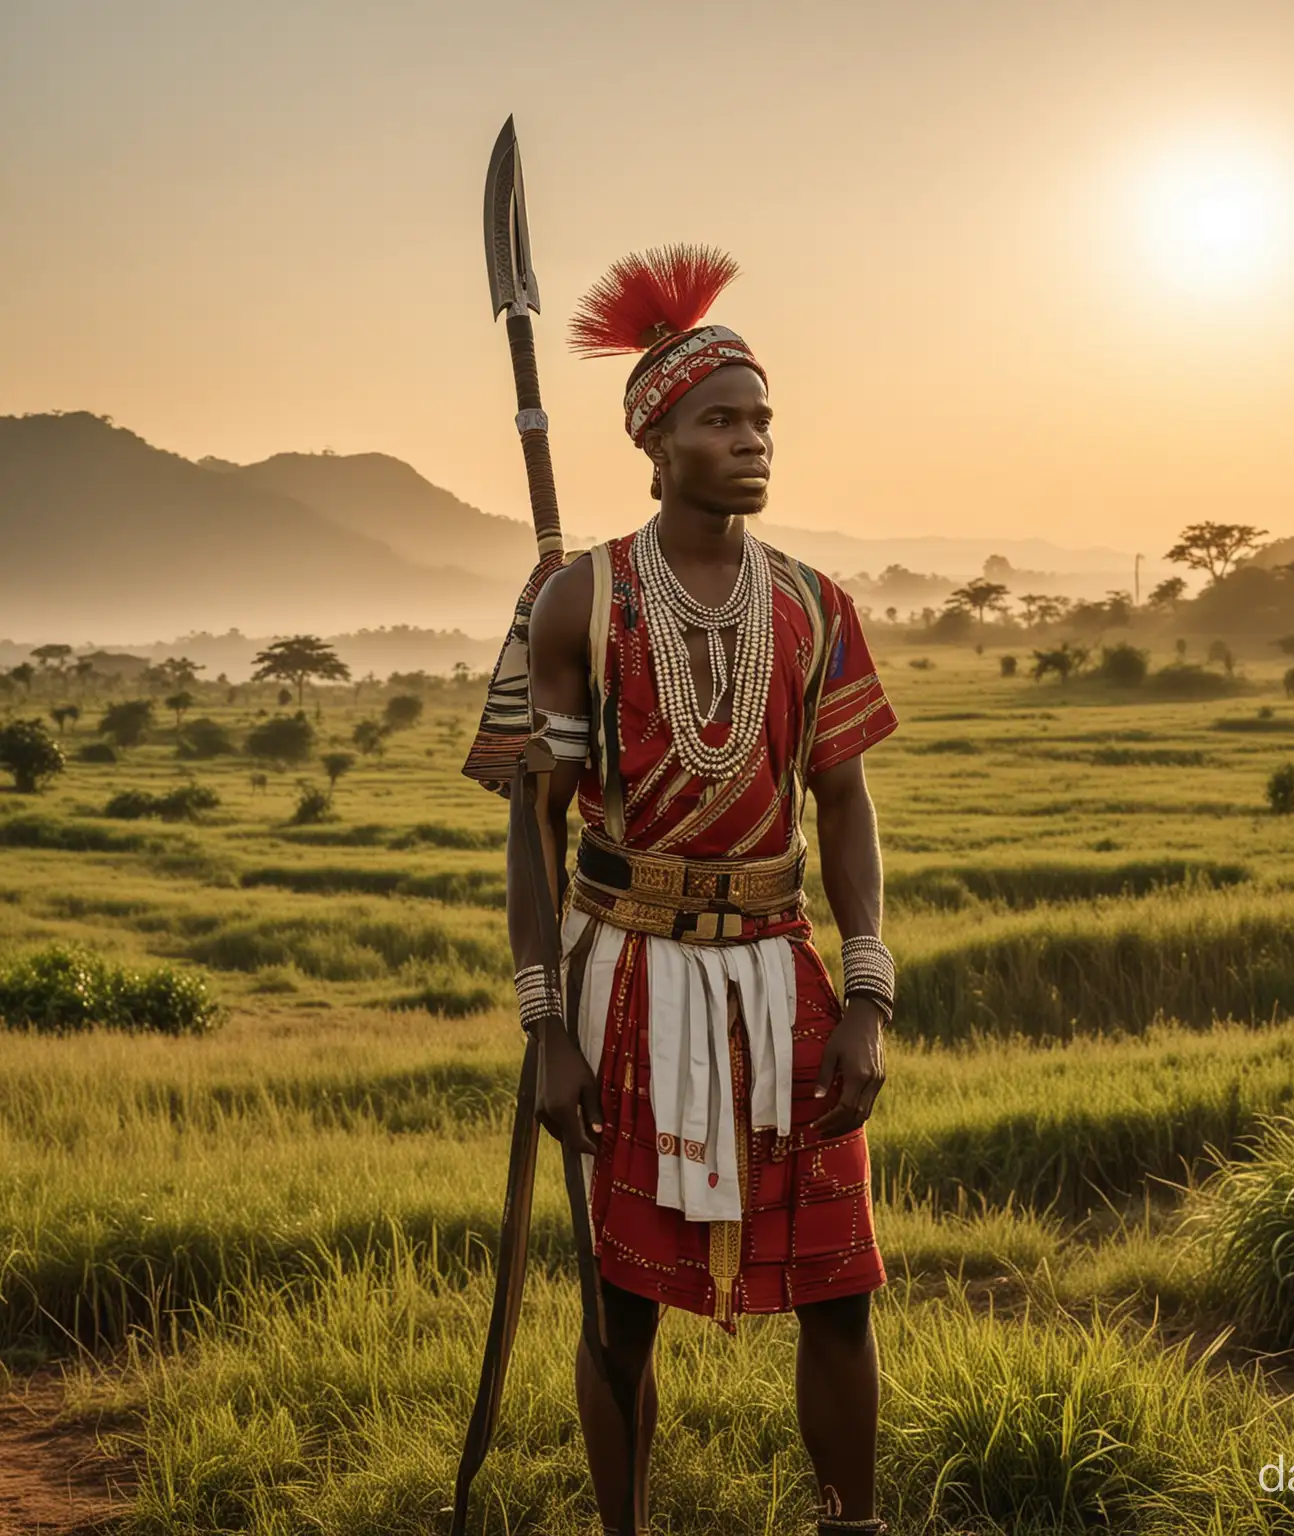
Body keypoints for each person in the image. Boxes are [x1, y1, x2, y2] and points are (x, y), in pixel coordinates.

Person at [505, 245, 899, 1535]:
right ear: (655, 440)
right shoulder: (581, 600)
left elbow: (843, 802)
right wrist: (545, 1027)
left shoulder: (815, 605)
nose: (752, 441)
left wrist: (868, 993)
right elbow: (534, 826)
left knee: (839, 1290)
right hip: (622, 974)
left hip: (781, 972)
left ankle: (855, 1524)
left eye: (762, 419)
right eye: (720, 420)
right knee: (620, 1305)